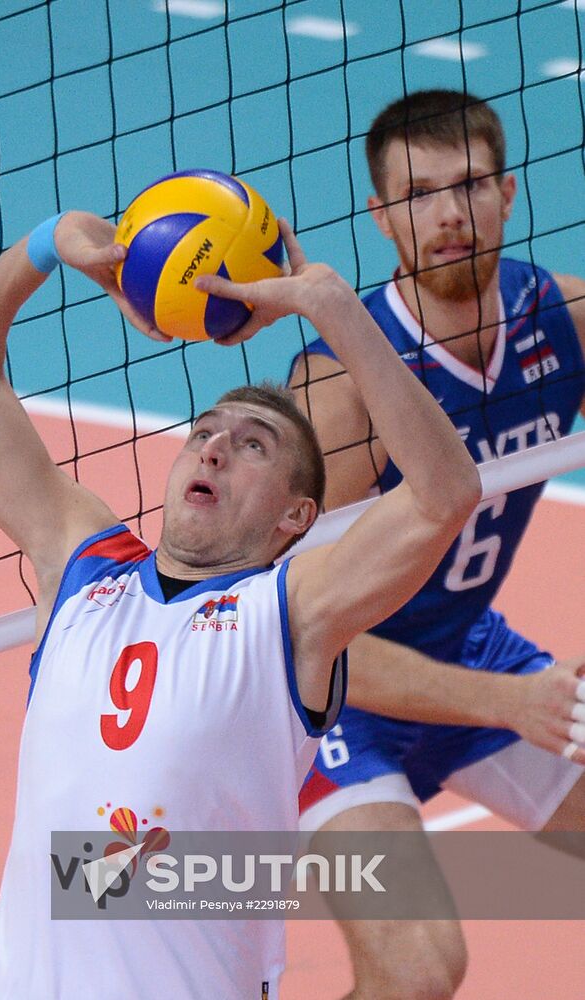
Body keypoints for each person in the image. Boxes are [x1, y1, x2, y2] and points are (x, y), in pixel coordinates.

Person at [0, 209, 478, 999]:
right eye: (205, 432)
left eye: (252, 446)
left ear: (296, 517)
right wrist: (47, 244)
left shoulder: (288, 613)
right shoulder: (83, 568)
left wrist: (330, 306)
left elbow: (444, 494)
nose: (213, 447)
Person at [289, 89, 585, 1000]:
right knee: (418, 971)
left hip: (465, 648)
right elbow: (296, 638)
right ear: (380, 216)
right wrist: (509, 702)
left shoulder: (563, 318)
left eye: (471, 185)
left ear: (509, 192)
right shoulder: (341, 387)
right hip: (330, 707)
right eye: (419, 195)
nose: (450, 213)